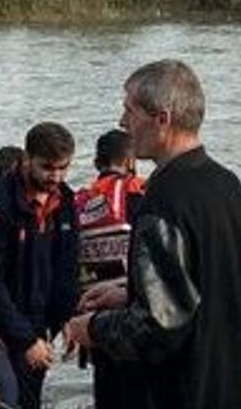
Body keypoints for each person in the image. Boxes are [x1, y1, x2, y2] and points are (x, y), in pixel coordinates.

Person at [64, 59, 241, 409]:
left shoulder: (164, 200)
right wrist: (133, 292)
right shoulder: (227, 184)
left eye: (130, 111)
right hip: (236, 385)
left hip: (183, 391)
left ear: (162, 119)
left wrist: (94, 328)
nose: (122, 122)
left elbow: (160, 328)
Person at [0, 122, 80, 409]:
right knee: (7, 398)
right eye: (47, 168)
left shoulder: (65, 201)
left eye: (63, 168)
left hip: (39, 323)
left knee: (30, 399)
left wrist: (68, 316)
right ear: (27, 159)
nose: (55, 176)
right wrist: (25, 339)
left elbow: (67, 265)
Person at [74, 129, 146, 408]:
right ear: (130, 161)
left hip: (93, 315)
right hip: (134, 313)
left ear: (96, 163)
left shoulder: (79, 202)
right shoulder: (139, 191)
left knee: (107, 393)